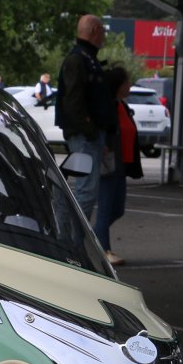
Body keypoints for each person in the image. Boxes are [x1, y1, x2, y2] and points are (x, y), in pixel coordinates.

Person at [56, 13, 114, 219]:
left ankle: (71, 233)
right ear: (95, 31)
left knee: (86, 190)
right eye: (102, 31)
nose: (104, 36)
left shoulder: (87, 58)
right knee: (86, 191)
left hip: (89, 134)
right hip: (84, 135)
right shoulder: (78, 60)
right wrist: (90, 131)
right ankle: (74, 235)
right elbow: (73, 102)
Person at [94, 66, 142, 266]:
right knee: (106, 208)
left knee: (117, 209)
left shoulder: (121, 105)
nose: (129, 85)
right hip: (110, 162)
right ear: (118, 85)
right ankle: (103, 250)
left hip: (122, 164)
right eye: (126, 82)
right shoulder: (108, 107)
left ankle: (93, 239)